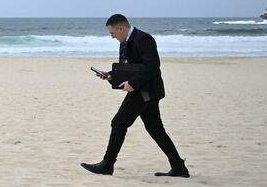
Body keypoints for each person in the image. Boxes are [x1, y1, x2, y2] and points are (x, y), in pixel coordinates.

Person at [81, 14, 189, 177]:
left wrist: (133, 83)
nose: (112, 36)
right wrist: (111, 76)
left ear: (121, 28)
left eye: (112, 33)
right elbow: (129, 69)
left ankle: (107, 165)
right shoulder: (124, 42)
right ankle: (178, 166)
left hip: (146, 91)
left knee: (118, 123)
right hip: (143, 91)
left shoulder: (144, 39)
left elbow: (152, 67)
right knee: (155, 129)